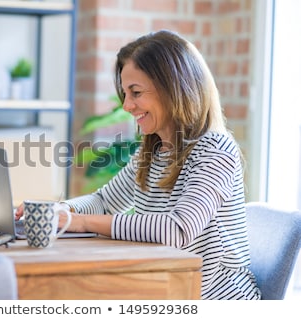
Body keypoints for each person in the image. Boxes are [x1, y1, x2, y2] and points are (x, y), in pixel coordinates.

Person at [16, 30, 261, 300]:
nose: (127, 105)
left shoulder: (215, 151)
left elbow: (177, 230)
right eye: (125, 93)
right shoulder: (154, 152)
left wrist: (82, 222)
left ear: (173, 88)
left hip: (213, 298)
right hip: (165, 287)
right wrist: (63, 210)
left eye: (136, 92)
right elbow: (104, 201)